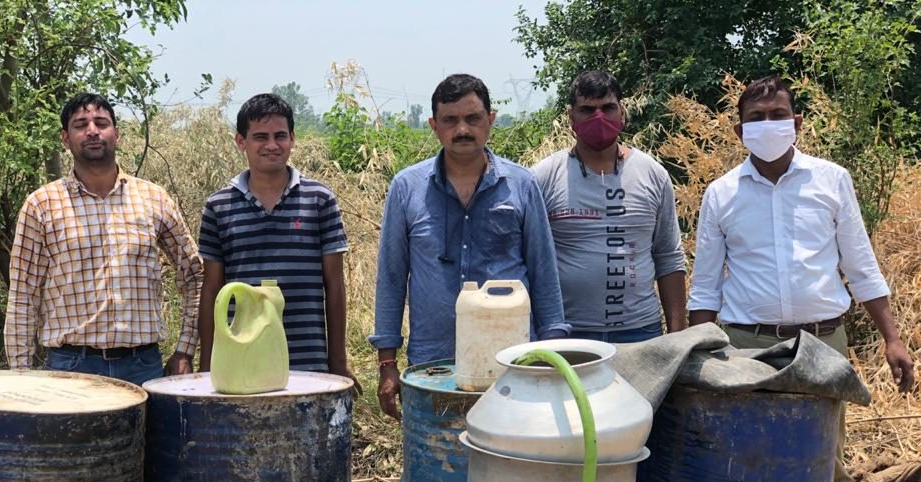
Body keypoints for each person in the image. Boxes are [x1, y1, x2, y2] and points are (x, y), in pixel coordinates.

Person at [688, 74, 916, 482]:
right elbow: (706, 286)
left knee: (827, 466)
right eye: (756, 117)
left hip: (822, 342)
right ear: (739, 130)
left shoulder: (831, 181)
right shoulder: (722, 194)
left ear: (797, 122)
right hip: (746, 346)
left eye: (778, 114)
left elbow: (860, 265)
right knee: (746, 464)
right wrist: (698, 353)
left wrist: (893, 337)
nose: (768, 125)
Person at [371, 73, 569, 419]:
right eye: (450, 120)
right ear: (434, 126)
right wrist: (387, 363)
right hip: (434, 364)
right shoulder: (407, 188)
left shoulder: (521, 185)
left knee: (510, 450)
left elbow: (544, 273)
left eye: (472, 118)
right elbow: (391, 278)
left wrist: (552, 353)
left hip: (512, 360)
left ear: (490, 120)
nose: (462, 129)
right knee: (438, 450)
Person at [5, 93, 203, 385]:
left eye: (101, 123)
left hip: (143, 366)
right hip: (71, 366)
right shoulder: (42, 205)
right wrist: (20, 376)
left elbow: (195, 276)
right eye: (80, 125)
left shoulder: (153, 198)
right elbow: (24, 295)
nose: (92, 131)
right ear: (65, 138)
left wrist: (185, 350)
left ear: (117, 134)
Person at [198, 93, 358, 389]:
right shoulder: (219, 206)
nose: (272, 145)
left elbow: (334, 285)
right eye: (260, 137)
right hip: (241, 362)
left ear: (292, 138)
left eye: (280, 136)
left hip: (308, 362)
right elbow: (211, 291)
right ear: (241, 141)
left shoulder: (319, 199)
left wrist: (338, 361)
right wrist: (208, 367)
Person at [533, 71, 687, 342]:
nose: (598, 118)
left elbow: (668, 257)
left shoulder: (652, 174)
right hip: (568, 333)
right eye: (587, 110)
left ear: (622, 113)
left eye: (607, 108)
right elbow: (529, 259)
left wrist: (677, 339)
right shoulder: (543, 177)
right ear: (571, 118)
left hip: (640, 331)